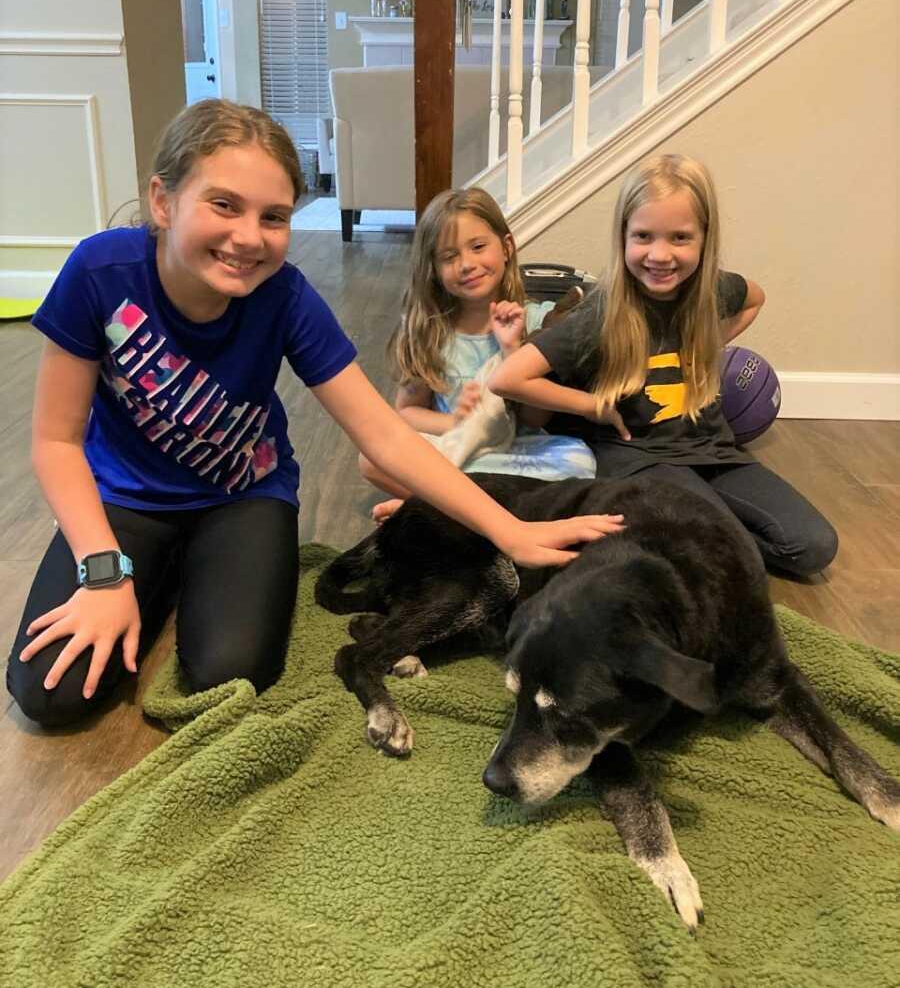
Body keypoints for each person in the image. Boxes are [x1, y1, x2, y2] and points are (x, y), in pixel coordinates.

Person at [6, 100, 624, 728]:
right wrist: (106, 575)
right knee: (49, 692)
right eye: (224, 204)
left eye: (273, 217)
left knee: (233, 672)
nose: (249, 237)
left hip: (241, 498)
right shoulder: (98, 272)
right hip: (125, 500)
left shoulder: (286, 298)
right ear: (162, 202)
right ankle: (150, 575)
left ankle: (179, 574)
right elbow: (56, 443)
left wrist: (508, 530)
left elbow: (384, 433)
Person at [489, 153, 838, 576]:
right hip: (638, 454)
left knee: (815, 546)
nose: (660, 254)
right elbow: (508, 377)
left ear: (705, 238)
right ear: (623, 238)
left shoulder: (711, 292)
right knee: (729, 551)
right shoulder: (601, 313)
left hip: (713, 448)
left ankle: (683, 542)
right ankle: (695, 544)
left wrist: (708, 345)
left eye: (679, 237)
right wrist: (590, 406)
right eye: (643, 236)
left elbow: (755, 297)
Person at [359, 187, 597, 511]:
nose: (466, 264)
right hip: (452, 451)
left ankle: (439, 508)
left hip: (517, 451)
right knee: (371, 457)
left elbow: (536, 416)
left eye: (478, 247)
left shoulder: (537, 320)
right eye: (449, 256)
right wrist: (456, 423)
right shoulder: (427, 332)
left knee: (580, 462)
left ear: (507, 247)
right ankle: (483, 511)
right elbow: (407, 413)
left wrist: (513, 350)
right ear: (434, 268)